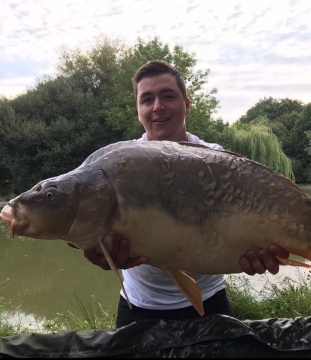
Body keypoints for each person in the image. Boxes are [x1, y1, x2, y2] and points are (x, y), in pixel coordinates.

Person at [83, 61, 289, 328]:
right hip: (139, 307)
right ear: (138, 111)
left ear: (187, 105)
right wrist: (99, 252)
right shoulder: (119, 165)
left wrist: (260, 251)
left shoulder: (215, 159)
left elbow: (243, 221)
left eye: (168, 96)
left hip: (210, 302)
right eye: (147, 99)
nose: (157, 106)